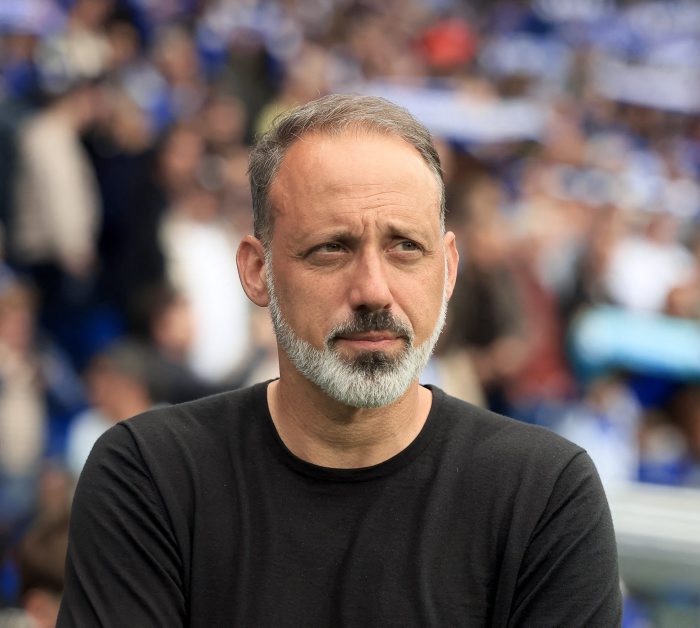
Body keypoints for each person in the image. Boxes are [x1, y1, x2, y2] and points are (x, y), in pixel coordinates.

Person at [58, 94, 622, 626]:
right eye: (332, 248)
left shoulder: (543, 494)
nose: (374, 290)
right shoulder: (150, 475)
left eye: (406, 247)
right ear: (257, 270)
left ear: (448, 269)